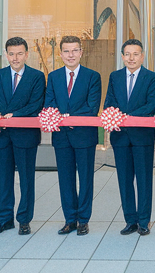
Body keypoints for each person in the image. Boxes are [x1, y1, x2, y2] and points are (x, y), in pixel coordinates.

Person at [104, 38, 155, 236]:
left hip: (142, 137)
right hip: (120, 137)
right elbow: (109, 103)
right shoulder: (115, 77)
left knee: (144, 179)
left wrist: (126, 117)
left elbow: (151, 105)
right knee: (124, 179)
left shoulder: (152, 78)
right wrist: (118, 117)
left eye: (135, 54)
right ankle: (130, 221)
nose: (131, 58)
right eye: (127, 54)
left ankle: (144, 221)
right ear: (122, 57)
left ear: (142, 56)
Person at [45, 35, 102, 236]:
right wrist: (61, 118)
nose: (71, 55)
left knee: (86, 178)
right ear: (60, 54)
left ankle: (83, 220)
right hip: (61, 137)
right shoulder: (53, 77)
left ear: (81, 52)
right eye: (67, 51)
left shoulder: (92, 76)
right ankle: (70, 219)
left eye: (75, 50)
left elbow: (92, 106)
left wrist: (69, 117)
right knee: (65, 179)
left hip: (84, 136)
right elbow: (49, 104)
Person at [0, 36, 45, 236]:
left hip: (25, 135)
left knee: (26, 179)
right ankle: (4, 220)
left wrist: (14, 114)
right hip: (2, 135)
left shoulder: (37, 76)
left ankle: (24, 220)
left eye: (20, 53)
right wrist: (5, 115)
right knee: (3, 179)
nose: (15, 58)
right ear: (6, 55)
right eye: (11, 54)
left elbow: (36, 105)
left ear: (27, 55)